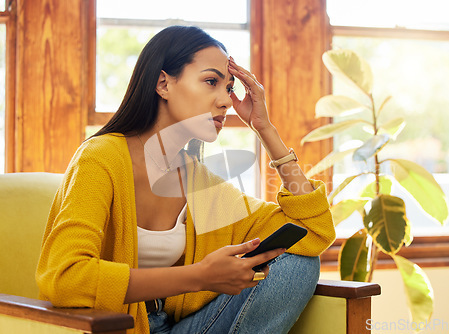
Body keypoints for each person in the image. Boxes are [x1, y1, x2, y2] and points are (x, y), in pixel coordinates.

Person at [36, 25, 336, 334]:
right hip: (116, 327)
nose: (225, 101)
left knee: (298, 264)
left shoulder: (200, 183)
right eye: (211, 82)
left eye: (229, 88)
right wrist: (200, 276)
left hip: (176, 326)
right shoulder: (100, 158)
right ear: (163, 84)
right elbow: (65, 278)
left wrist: (265, 129)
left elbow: (313, 232)